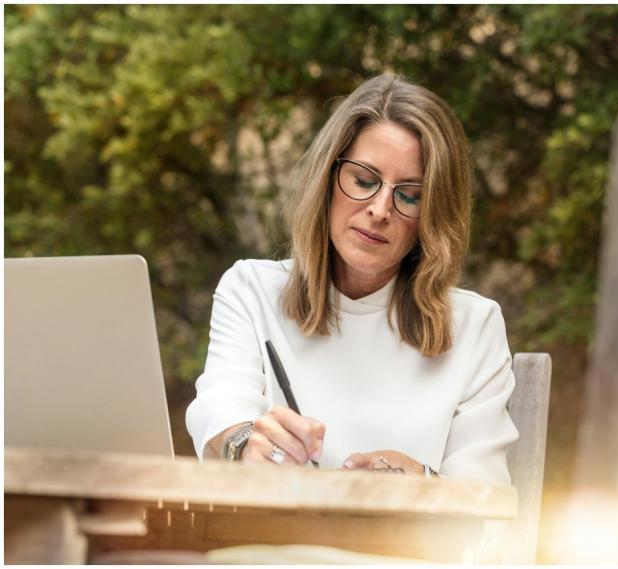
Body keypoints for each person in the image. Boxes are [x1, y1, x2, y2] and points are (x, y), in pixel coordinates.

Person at [185, 74, 519, 485]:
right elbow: (222, 404)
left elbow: (487, 499)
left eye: (410, 195)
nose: (380, 209)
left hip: (403, 547)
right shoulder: (251, 290)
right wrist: (245, 443)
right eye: (363, 180)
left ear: (432, 215)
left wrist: (425, 482)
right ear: (328, 177)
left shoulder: (474, 326)